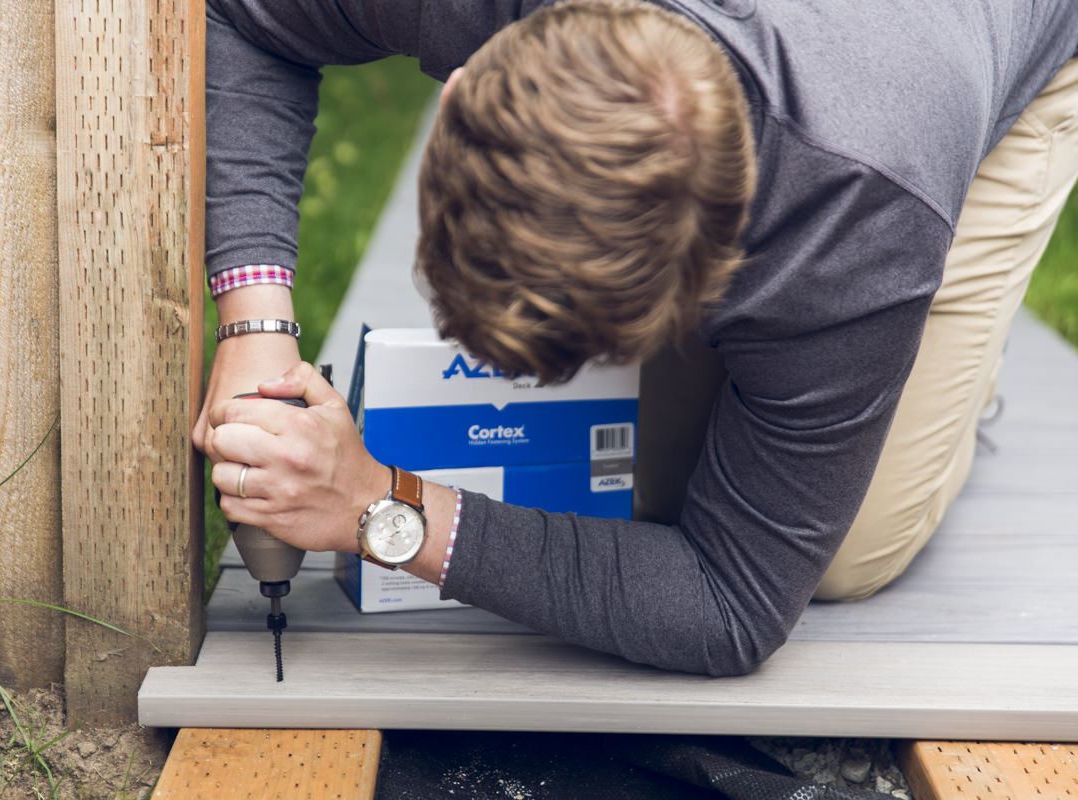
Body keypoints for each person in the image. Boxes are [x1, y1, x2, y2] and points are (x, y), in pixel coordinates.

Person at [196, 0, 1078, 675]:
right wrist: (255, 320)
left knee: (841, 561)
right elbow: (244, 16)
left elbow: (734, 602)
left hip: (991, 58)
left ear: (702, 272)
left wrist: (378, 508)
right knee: (642, 495)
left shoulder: (863, 216)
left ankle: (934, 362)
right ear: (467, 79)